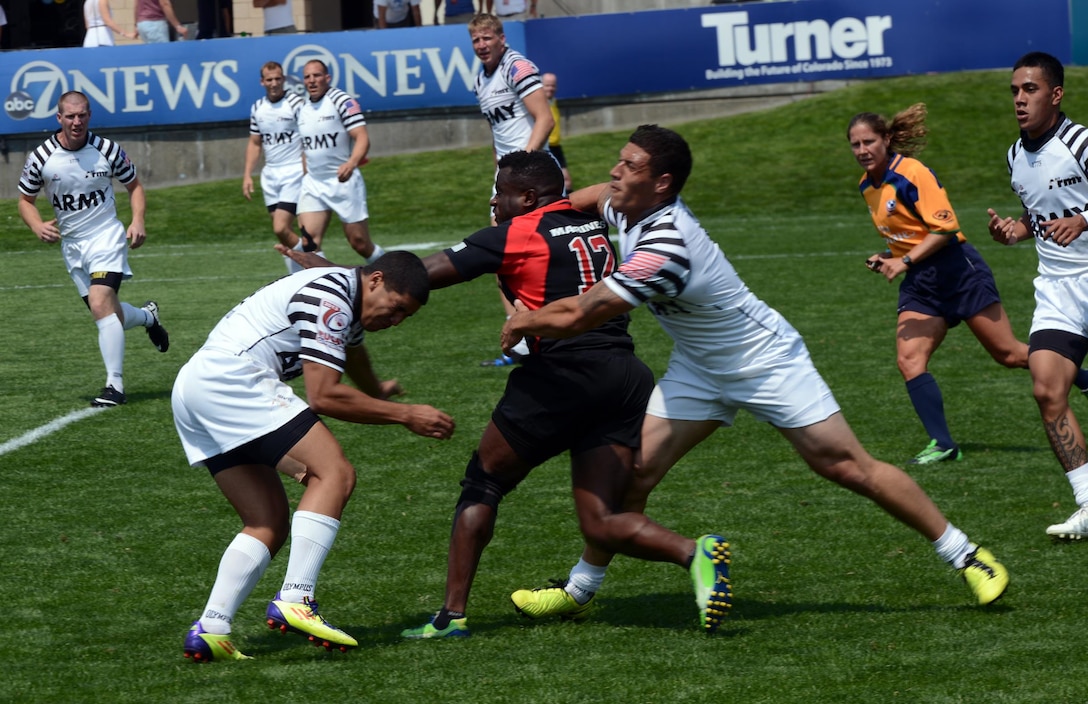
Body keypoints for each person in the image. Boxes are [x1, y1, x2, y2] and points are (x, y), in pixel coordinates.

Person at [501, 125, 1010, 620]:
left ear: (661, 184)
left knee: (846, 467)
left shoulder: (668, 245)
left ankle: (966, 555)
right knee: (633, 474)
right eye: (620, 158)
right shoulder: (628, 202)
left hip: (764, 361)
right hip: (698, 368)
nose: (616, 171)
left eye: (630, 165)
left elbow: (582, 314)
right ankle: (579, 588)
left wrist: (524, 320)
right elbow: (589, 197)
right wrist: (544, 215)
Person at [281, 151, 733, 639]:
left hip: (559, 378)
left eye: (501, 193)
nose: (494, 202)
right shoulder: (593, 218)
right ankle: (694, 552)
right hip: (623, 376)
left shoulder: (515, 234)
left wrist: (336, 270)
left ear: (529, 196)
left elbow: (418, 275)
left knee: (484, 482)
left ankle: (450, 617)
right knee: (602, 520)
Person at [177, 250, 456, 662]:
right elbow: (323, 395)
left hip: (195, 388)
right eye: (396, 309)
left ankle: (211, 628)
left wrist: (376, 390)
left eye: (404, 318)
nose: (395, 322)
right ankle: (296, 598)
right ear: (375, 280)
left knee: (266, 520)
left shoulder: (348, 294)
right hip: (234, 380)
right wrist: (406, 414)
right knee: (335, 474)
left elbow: (354, 350)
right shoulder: (333, 296)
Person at [847, 103, 1088, 465]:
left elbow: (943, 229)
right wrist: (888, 256)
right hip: (921, 282)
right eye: (855, 144)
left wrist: (905, 260)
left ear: (886, 140)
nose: (863, 150)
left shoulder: (911, 173)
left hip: (957, 270)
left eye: (869, 141)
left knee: (1007, 354)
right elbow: (905, 235)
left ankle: (1079, 376)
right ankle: (942, 443)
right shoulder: (867, 185)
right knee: (909, 359)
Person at [987, 51, 1088, 541]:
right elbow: (1037, 211)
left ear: (1056, 94)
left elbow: (1075, 211)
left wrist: (1084, 220)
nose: (1020, 100)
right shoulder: (1014, 156)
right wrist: (1016, 231)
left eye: (1030, 89)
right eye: (1014, 91)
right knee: (1047, 390)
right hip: (1056, 288)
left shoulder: (1081, 142)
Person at [18, 91, 169, 409]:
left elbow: (135, 186)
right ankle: (147, 317)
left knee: (101, 303)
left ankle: (114, 386)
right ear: (59, 118)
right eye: (70, 116)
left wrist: (137, 219)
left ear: (89, 115)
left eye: (82, 115)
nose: (77, 121)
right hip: (72, 247)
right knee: (108, 313)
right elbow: (25, 200)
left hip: (106, 238)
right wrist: (36, 226)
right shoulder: (42, 156)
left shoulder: (107, 150)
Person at [469, 12, 554, 367]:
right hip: (508, 177)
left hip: (532, 175)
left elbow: (544, 119)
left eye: (487, 38)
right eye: (476, 40)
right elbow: (497, 133)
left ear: (501, 38)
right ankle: (520, 335)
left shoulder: (517, 67)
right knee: (499, 257)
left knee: (544, 254)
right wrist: (501, 171)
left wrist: (522, 167)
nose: (481, 45)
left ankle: (556, 328)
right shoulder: (479, 79)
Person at [297, 59, 385, 264]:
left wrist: (352, 162)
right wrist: (305, 175)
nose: (311, 81)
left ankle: (390, 271)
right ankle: (324, 287)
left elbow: (362, 137)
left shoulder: (342, 100)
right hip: (314, 183)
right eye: (307, 77)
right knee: (309, 244)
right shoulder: (302, 107)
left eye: (316, 75)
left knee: (359, 243)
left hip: (342, 182)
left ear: (327, 78)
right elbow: (305, 147)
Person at [243, 61, 308, 275]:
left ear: (284, 79)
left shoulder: (296, 103)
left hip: (294, 172)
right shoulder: (257, 108)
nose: (274, 83)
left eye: (278, 79)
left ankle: (316, 264)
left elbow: (308, 137)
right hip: (270, 175)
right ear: (262, 82)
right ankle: (300, 275)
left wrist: (307, 170)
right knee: (284, 234)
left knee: (280, 227)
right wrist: (247, 175)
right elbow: (255, 143)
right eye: (269, 80)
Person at [542, 72, 571, 193]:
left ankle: (571, 207)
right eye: (547, 85)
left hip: (556, 146)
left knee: (567, 180)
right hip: (545, 147)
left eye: (553, 85)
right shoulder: (540, 103)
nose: (550, 88)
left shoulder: (553, 101)